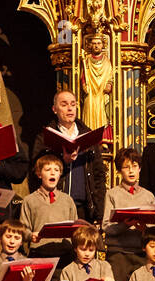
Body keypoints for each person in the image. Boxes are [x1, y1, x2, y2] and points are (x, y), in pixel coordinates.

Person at [28, 89, 107, 222]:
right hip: (54, 205)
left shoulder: (87, 135)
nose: (70, 108)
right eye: (64, 105)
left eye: (73, 104)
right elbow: (35, 171)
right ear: (54, 109)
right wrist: (63, 161)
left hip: (84, 207)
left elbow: (98, 174)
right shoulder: (45, 138)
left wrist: (99, 213)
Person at [101, 146, 155, 281]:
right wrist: (125, 224)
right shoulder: (112, 194)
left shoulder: (148, 196)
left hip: (141, 253)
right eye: (126, 167)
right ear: (119, 171)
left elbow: (153, 228)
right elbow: (106, 226)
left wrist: (144, 228)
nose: (131, 171)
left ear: (140, 168)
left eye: (134, 166)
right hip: (118, 254)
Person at [21, 153, 79, 267]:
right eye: (48, 169)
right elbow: (23, 229)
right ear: (39, 174)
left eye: (56, 170)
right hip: (39, 253)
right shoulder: (30, 200)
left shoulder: (68, 200)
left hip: (64, 256)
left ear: (60, 174)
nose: (52, 172)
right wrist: (31, 235)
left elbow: (75, 229)